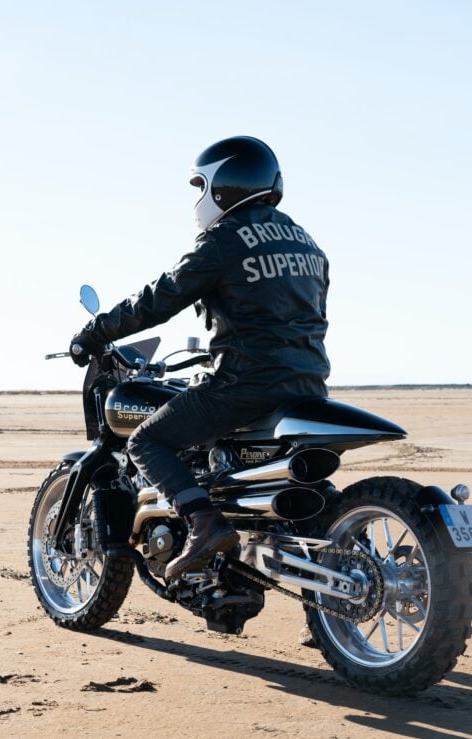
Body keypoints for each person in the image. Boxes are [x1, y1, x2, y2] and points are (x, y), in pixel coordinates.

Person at [71, 136, 330, 581]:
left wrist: (95, 333)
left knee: (146, 441)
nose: (198, 197)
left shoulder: (225, 239)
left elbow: (159, 297)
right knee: (299, 489)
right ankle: (322, 600)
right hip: (307, 385)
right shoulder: (306, 243)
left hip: (244, 386)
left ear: (221, 185)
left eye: (200, 186)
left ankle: (203, 523)